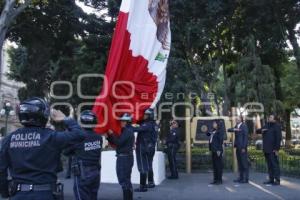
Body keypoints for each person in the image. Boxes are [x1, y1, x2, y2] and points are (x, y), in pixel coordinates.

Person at [0, 97, 85, 200]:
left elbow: (1, 170)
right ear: (43, 115)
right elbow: (79, 134)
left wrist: (5, 193)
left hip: (18, 194)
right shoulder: (51, 137)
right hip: (45, 194)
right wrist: (65, 119)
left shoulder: (8, 140)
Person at [64, 110, 102, 200]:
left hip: (83, 172)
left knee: (82, 196)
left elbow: (66, 151)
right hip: (96, 171)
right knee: (93, 196)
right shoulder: (98, 137)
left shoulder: (79, 137)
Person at [106, 113, 135, 200]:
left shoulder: (127, 131)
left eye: (123, 121)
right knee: (126, 180)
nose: (121, 122)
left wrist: (110, 134)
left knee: (124, 180)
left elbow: (118, 143)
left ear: (127, 122)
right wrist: (109, 137)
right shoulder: (127, 131)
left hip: (124, 158)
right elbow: (118, 142)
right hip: (126, 157)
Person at [133, 108, 157, 192]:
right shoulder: (153, 124)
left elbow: (136, 129)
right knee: (149, 165)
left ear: (150, 116)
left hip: (143, 147)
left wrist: (127, 125)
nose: (144, 116)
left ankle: (142, 186)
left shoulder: (147, 124)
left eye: (146, 115)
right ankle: (151, 182)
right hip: (150, 147)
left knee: (142, 166)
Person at [256, 114, 282, 186]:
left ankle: (277, 180)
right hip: (266, 149)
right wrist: (262, 130)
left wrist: (276, 149)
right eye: (269, 117)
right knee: (269, 165)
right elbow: (257, 131)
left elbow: (278, 138)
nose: (269, 118)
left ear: (274, 119)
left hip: (273, 149)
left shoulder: (277, 126)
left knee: (275, 165)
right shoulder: (267, 125)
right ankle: (271, 179)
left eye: (270, 117)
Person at [228, 116, 249, 183]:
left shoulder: (244, 126)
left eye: (238, 119)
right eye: (236, 119)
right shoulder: (237, 126)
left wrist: (243, 147)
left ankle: (245, 179)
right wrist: (235, 129)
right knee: (240, 163)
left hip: (242, 148)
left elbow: (245, 138)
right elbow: (229, 130)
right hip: (237, 147)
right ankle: (241, 177)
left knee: (244, 163)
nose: (236, 119)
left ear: (241, 120)